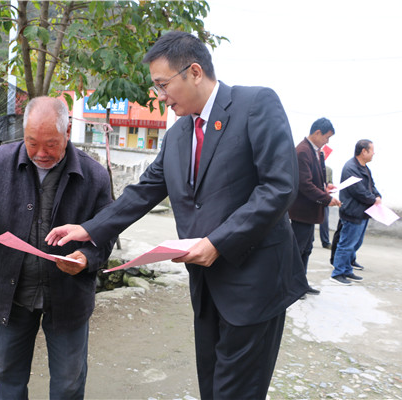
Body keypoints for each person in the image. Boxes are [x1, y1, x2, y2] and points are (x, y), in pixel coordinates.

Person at [46, 31, 308, 399]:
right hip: (206, 283)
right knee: (212, 384)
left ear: (195, 72)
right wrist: (89, 229)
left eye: (162, 84)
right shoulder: (179, 133)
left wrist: (218, 242)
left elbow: (278, 186)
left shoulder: (255, 104)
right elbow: (143, 192)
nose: (159, 96)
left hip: (255, 282)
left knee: (239, 391)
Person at [0, 96, 115, 399]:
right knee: (6, 374)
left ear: (67, 133)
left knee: (68, 383)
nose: (41, 153)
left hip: (67, 296)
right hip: (13, 293)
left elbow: (107, 232)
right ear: (23, 133)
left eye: (51, 144)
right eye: (32, 142)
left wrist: (86, 257)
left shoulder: (94, 175)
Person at [288, 118, 341, 296]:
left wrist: (326, 188)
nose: (327, 142)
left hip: (310, 212)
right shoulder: (302, 151)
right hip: (302, 211)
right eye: (327, 137)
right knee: (297, 250)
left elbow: (315, 180)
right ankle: (292, 286)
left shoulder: (316, 152)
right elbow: (305, 185)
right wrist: (326, 199)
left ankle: (301, 284)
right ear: (317, 133)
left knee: (307, 249)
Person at [331, 139, 380, 285]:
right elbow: (358, 191)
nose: (374, 153)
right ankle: (337, 273)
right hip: (353, 212)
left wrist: (377, 196)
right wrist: (373, 199)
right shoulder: (350, 167)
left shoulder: (364, 167)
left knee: (355, 244)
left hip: (363, 212)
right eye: (372, 150)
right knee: (346, 244)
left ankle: (346, 270)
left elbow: (371, 186)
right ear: (363, 151)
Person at [320, 165, 334, 249]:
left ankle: (325, 241)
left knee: (324, 220)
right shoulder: (312, 166)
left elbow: (330, 182)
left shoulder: (328, 169)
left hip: (324, 197)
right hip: (313, 196)